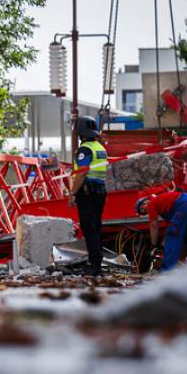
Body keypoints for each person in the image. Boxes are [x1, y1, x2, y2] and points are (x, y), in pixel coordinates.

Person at [68, 116, 108, 276]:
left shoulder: (85, 149)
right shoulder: (100, 147)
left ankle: (94, 265)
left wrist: (72, 193)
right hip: (100, 190)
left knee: (88, 227)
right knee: (96, 227)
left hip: (87, 191)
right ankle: (97, 261)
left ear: (80, 132)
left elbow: (82, 173)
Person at [136, 190, 187, 272]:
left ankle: (167, 270)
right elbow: (171, 225)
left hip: (185, 204)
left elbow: (154, 226)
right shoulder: (163, 203)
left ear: (145, 203)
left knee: (173, 236)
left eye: (143, 211)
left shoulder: (151, 202)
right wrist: (163, 241)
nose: (146, 213)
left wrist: (154, 245)